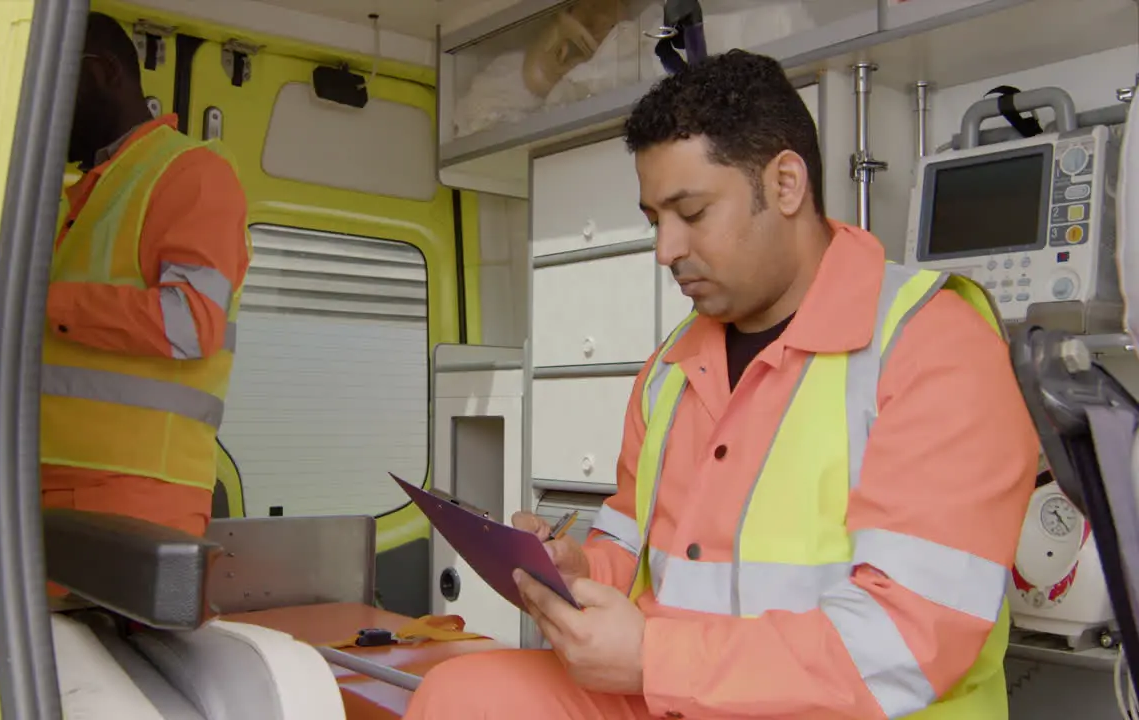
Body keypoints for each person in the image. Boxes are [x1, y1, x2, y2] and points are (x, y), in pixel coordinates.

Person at [403, 49, 1039, 719]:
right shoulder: (670, 367)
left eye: (692, 212)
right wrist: (580, 574)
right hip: (685, 697)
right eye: (655, 220)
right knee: (462, 697)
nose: (664, 250)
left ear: (786, 184)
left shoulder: (934, 344)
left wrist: (655, 657)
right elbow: (629, 545)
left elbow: (906, 643)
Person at [40, 12, 251, 549]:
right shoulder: (91, 191)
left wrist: (41, 302)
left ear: (103, 73)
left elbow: (189, 323)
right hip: (56, 484)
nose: (47, 106)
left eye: (57, 81)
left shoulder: (193, 173)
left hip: (134, 498)